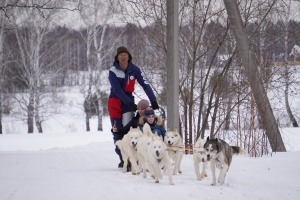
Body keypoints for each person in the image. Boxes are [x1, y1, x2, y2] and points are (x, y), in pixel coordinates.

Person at [108, 46, 159, 169]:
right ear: (117, 57)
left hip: (128, 103)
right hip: (115, 102)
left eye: (125, 54)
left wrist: (153, 100)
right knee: (117, 130)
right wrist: (129, 102)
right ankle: (123, 158)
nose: (123, 57)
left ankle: (132, 159)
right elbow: (117, 89)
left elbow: (145, 85)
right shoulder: (113, 70)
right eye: (121, 55)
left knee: (128, 130)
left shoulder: (134, 69)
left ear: (129, 56)